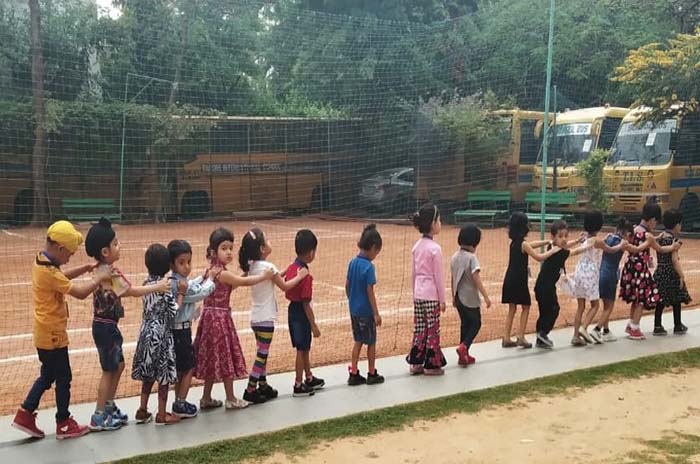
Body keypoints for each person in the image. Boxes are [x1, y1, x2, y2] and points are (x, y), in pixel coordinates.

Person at [12, 221, 111, 440]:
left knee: (48, 375)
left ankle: (25, 413)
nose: (70, 258)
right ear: (59, 249)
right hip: (53, 335)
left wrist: (84, 269)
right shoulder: (49, 271)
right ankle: (63, 422)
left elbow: (61, 276)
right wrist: (98, 279)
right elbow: (79, 292)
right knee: (63, 377)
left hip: (44, 333)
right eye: (70, 254)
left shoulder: (42, 260)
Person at [86, 217, 170, 432]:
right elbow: (132, 291)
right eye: (115, 244)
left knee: (119, 365)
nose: (119, 246)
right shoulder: (111, 273)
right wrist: (158, 286)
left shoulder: (103, 268)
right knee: (108, 370)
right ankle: (98, 416)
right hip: (105, 327)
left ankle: (108, 406)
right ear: (105, 251)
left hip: (109, 326)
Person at [194, 227, 273, 410]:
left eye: (230, 247)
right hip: (220, 320)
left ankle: (206, 397)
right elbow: (242, 283)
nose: (229, 252)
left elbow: (232, 285)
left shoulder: (212, 271)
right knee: (225, 356)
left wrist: (244, 275)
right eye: (224, 248)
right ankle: (231, 398)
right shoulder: (222, 273)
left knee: (212, 358)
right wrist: (263, 275)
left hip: (209, 319)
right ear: (214, 251)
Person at [238, 228, 308, 404]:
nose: (270, 243)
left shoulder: (254, 267)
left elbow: (275, 277)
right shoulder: (268, 268)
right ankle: (250, 388)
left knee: (262, 353)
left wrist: (284, 270)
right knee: (262, 355)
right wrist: (299, 277)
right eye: (267, 240)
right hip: (266, 319)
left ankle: (263, 384)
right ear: (262, 248)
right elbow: (284, 286)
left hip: (256, 318)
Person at [167, 239, 219, 418]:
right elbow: (199, 293)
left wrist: (202, 277)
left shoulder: (177, 280)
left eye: (189, 262)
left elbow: (192, 285)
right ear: (172, 263)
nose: (186, 266)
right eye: (181, 263)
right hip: (181, 332)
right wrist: (211, 279)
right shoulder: (178, 285)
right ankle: (180, 402)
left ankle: (178, 400)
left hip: (179, 331)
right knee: (188, 367)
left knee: (181, 368)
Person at [131, 244, 181, 426]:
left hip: (146, 332)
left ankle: (142, 409)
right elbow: (173, 311)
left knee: (148, 374)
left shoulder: (146, 284)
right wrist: (181, 294)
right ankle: (161, 413)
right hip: (161, 335)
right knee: (164, 375)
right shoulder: (164, 286)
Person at [620, 203, 682, 340]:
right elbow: (660, 249)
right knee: (641, 299)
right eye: (655, 222)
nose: (655, 225)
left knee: (635, 299)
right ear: (652, 219)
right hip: (640, 270)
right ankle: (635, 327)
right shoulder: (648, 236)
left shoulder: (634, 230)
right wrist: (673, 247)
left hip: (630, 268)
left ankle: (631, 325)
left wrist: (657, 238)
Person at [501, 212, 562, 349]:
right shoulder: (523, 244)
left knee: (512, 308)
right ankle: (521, 337)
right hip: (518, 281)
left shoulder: (515, 243)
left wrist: (546, 241)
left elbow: (530, 245)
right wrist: (553, 250)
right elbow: (539, 257)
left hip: (509, 278)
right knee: (526, 306)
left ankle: (506, 337)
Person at [588, 218, 648, 342]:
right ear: (627, 234)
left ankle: (606, 330)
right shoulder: (623, 243)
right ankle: (597, 329)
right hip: (610, 275)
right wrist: (649, 242)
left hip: (601, 273)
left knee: (605, 304)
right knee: (609, 307)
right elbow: (636, 250)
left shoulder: (609, 237)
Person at [572, 211, 626, 346]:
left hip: (579, 271)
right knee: (595, 305)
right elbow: (611, 250)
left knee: (581, 306)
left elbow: (594, 241)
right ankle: (584, 328)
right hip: (590, 273)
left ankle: (575, 336)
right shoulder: (598, 241)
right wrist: (621, 245)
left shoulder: (585, 237)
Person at [535, 220, 590, 349]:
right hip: (546, 287)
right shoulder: (559, 252)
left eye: (566, 236)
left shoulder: (554, 247)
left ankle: (540, 336)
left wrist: (577, 241)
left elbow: (565, 245)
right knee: (554, 309)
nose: (564, 239)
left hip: (542, 286)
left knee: (545, 311)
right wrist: (587, 246)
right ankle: (542, 333)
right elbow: (573, 252)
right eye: (560, 236)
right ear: (553, 237)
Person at [406, 203, 447, 375]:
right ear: (432, 224)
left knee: (420, 329)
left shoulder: (417, 247)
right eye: (438, 220)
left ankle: (416, 363)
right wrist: (442, 300)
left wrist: (415, 294)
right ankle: (432, 365)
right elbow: (439, 277)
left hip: (419, 295)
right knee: (433, 330)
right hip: (431, 295)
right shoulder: (435, 249)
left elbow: (413, 274)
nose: (440, 222)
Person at [284, 229, 325, 397]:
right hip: (301, 314)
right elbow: (307, 305)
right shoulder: (305, 276)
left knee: (304, 348)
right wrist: (314, 326)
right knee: (301, 350)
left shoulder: (292, 267)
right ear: (311, 252)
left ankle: (308, 377)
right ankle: (298, 383)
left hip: (292, 310)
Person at [346, 224, 384, 386]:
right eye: (377, 252)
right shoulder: (369, 267)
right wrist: (375, 313)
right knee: (371, 342)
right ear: (373, 248)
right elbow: (370, 290)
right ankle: (371, 372)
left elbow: (347, 285)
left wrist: (352, 299)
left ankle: (354, 372)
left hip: (354, 310)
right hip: (366, 312)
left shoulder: (352, 263)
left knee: (358, 341)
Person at [451, 224, 491, 366]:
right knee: (476, 323)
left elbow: (453, 277)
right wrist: (485, 296)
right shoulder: (471, 258)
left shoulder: (454, 257)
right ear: (474, 242)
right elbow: (476, 278)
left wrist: (453, 296)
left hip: (458, 297)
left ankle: (464, 355)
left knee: (465, 324)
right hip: (469, 297)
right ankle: (464, 347)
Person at [653, 209, 691, 335]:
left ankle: (657, 325)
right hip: (671, 272)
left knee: (661, 300)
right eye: (680, 224)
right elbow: (675, 260)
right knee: (677, 299)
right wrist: (681, 275)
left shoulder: (661, 237)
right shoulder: (673, 241)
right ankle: (677, 324)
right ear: (676, 225)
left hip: (660, 270)